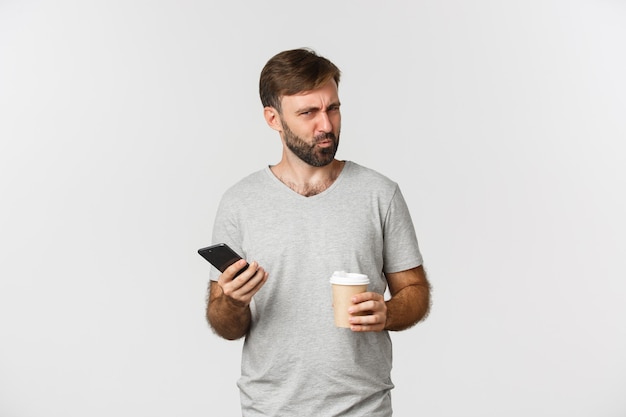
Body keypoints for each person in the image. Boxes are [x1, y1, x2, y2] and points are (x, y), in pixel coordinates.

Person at [206, 48, 431, 416]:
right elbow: (226, 325)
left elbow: (416, 291)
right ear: (273, 119)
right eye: (308, 112)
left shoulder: (380, 193)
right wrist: (233, 301)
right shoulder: (240, 202)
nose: (325, 125)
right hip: (270, 408)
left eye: (333, 108)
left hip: (364, 407)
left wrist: (387, 312)